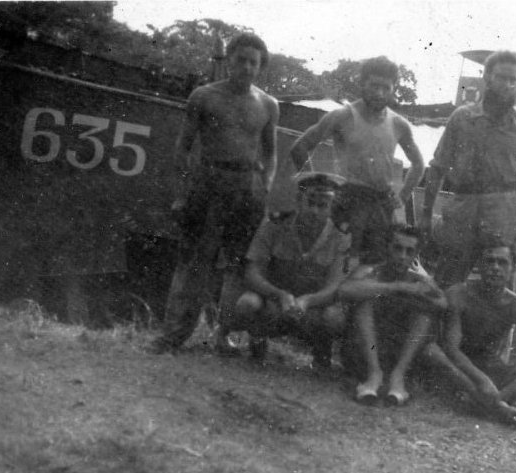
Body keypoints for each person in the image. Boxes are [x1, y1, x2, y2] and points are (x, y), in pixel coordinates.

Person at [151, 33, 279, 355]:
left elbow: (271, 152)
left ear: (260, 67)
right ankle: (172, 337)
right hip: (208, 184)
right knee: (194, 261)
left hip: (246, 189)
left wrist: (266, 182)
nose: (246, 67)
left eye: (253, 62)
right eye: (241, 60)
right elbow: (183, 147)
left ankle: (224, 337)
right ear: (229, 61)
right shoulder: (204, 96)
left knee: (238, 267)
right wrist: (182, 193)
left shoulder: (268, 105)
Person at [421, 50, 516, 287]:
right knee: (447, 284)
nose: (507, 85)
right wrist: (426, 216)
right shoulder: (461, 118)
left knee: (501, 290)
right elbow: (437, 168)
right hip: (463, 210)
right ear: (487, 77)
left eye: (513, 80)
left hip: (503, 214)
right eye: (501, 77)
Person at [289, 56, 425, 265]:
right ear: (362, 84)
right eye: (374, 86)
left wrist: (403, 196)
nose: (380, 93)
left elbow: (418, 164)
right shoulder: (342, 116)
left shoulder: (398, 124)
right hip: (347, 201)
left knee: (374, 265)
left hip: (381, 205)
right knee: (339, 262)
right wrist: (318, 186)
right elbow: (300, 147)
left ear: (393, 89)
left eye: (386, 88)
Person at [423, 239, 516, 431]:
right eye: (490, 261)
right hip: (461, 370)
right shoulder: (459, 295)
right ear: (480, 265)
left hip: (494, 370)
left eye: (502, 262)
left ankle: (487, 403)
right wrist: (482, 380)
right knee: (432, 351)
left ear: (512, 269)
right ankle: (503, 410)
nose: (495, 268)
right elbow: (451, 349)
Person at [233, 172, 351, 370]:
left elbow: (334, 287)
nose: (314, 211)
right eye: (310, 203)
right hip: (275, 305)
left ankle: (321, 351)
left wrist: (308, 301)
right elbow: (252, 273)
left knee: (334, 317)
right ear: (298, 200)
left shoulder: (341, 238)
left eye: (323, 206)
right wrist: (279, 295)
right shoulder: (274, 226)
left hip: (312, 310)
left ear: (332, 208)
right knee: (247, 303)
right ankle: (258, 340)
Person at [338, 224, 446, 405]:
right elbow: (345, 290)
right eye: (397, 248)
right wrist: (398, 287)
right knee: (363, 302)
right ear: (387, 248)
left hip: (398, 353)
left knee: (424, 315)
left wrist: (423, 286)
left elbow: (442, 303)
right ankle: (374, 373)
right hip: (367, 350)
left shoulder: (418, 279)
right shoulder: (372, 271)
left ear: (415, 254)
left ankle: (398, 376)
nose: (402, 256)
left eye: (409, 251)